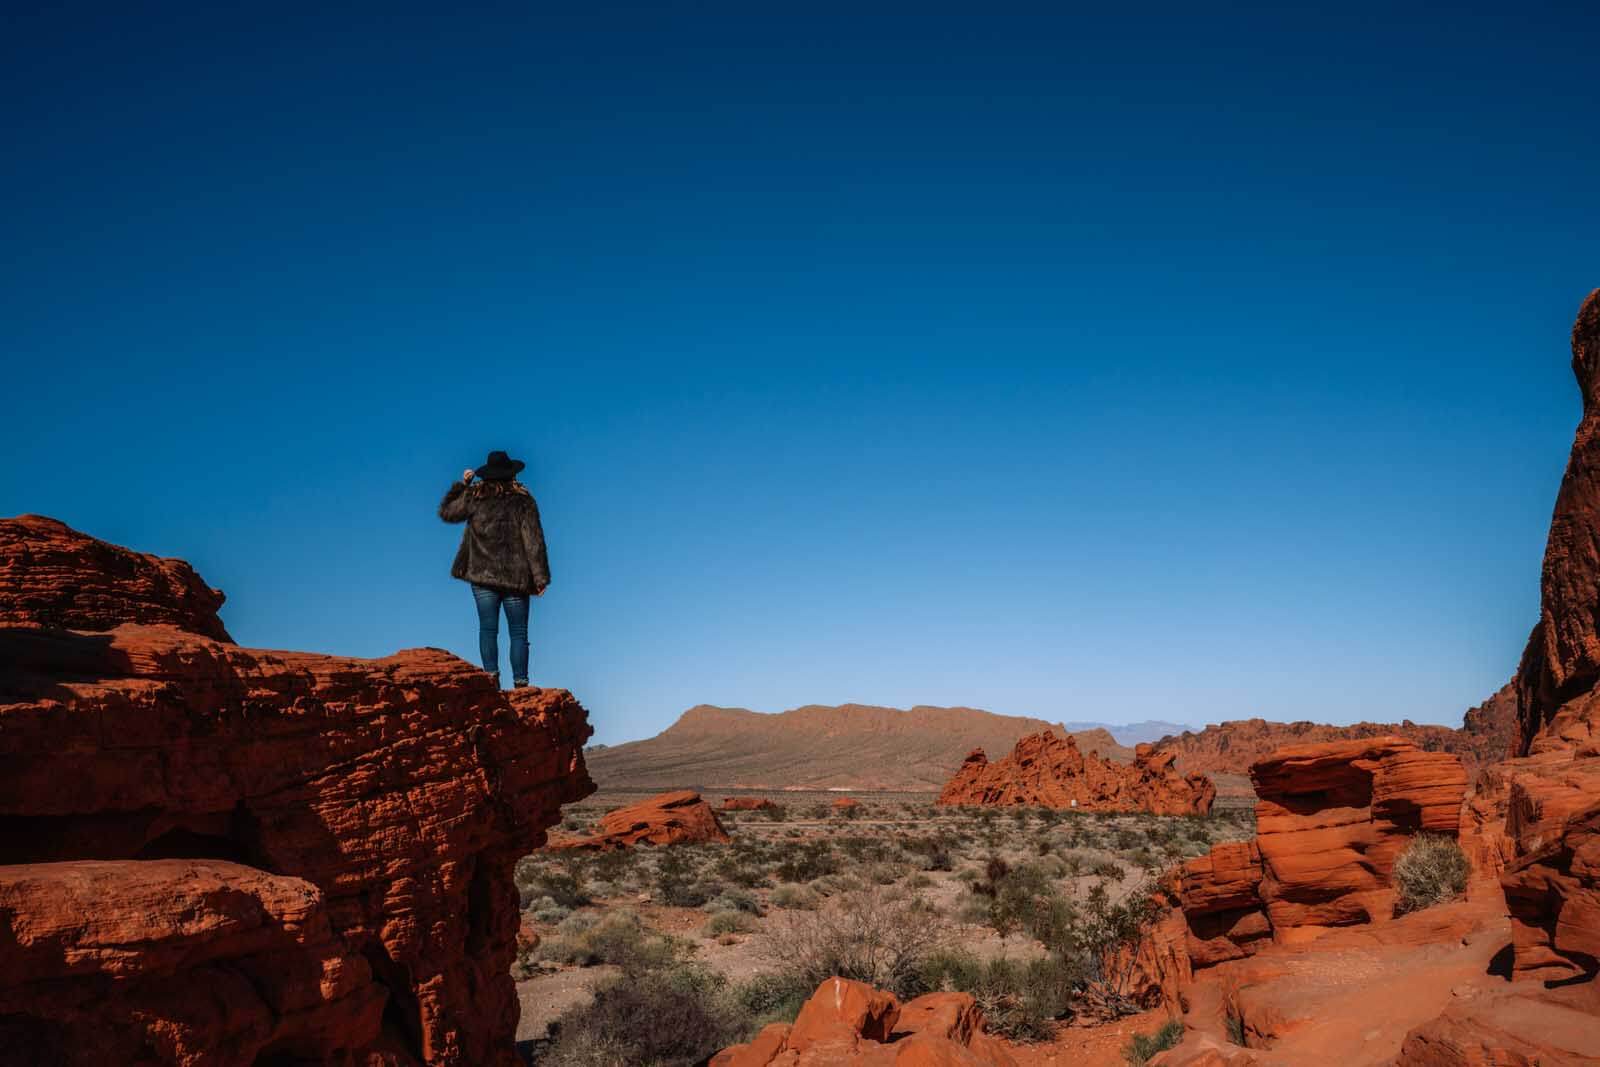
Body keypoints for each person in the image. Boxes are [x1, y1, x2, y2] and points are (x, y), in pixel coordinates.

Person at [438, 450, 550, 687]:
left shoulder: (475, 497)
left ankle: (491, 681)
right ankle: (521, 685)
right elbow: (534, 540)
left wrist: (463, 485)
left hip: (481, 575)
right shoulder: (523, 500)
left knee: (488, 629)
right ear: (511, 474)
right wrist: (540, 577)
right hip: (516, 578)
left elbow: (447, 513)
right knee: (518, 633)